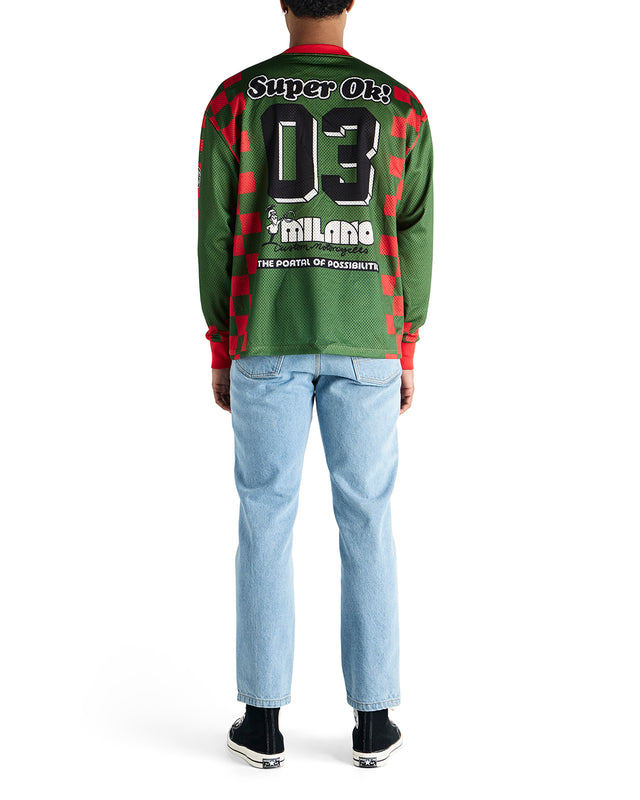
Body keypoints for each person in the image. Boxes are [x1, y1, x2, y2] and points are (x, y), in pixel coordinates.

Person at [197, 0, 434, 769]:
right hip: (369, 337)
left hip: (265, 332)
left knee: (265, 518)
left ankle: (262, 721)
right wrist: (406, 342)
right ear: (351, 1)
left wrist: (220, 343)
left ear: (282, 1)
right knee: (367, 520)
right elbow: (414, 230)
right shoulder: (400, 106)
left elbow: (217, 234)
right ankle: (373, 721)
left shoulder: (235, 101)